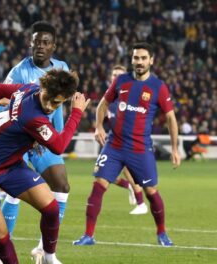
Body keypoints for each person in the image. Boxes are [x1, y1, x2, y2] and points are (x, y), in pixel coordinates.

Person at [0, 69, 90, 264]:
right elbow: (59, 146)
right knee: (2, 236)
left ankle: (48, 257)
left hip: (10, 165)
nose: (49, 106)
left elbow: (0, 89)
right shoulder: (33, 116)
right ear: (42, 88)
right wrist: (77, 112)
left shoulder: (29, 89)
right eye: (48, 98)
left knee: (51, 208)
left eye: (57, 103)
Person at [73, 42, 181, 247]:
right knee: (98, 185)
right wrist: (98, 127)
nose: (139, 62)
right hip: (114, 145)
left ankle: (162, 234)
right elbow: (103, 104)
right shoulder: (121, 81)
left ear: (151, 60)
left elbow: (170, 118)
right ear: (131, 59)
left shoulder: (158, 87)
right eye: (135, 58)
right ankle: (88, 235)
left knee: (151, 192)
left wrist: (175, 149)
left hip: (140, 149)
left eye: (143, 58)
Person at [0, 21, 71, 260]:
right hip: (21, 139)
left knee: (61, 185)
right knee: (13, 193)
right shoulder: (19, 71)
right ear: (30, 43)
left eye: (46, 42)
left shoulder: (62, 68)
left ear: (53, 46)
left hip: (46, 140)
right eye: (37, 41)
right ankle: (2, 255)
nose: (40, 46)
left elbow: (61, 103)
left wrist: (53, 132)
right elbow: (4, 102)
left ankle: (44, 249)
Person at [107, 65, 148, 215]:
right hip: (114, 142)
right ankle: (131, 190)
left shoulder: (131, 96)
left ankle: (141, 203)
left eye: (119, 74)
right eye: (113, 74)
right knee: (103, 173)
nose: (115, 77)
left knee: (127, 173)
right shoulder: (109, 99)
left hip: (128, 142)